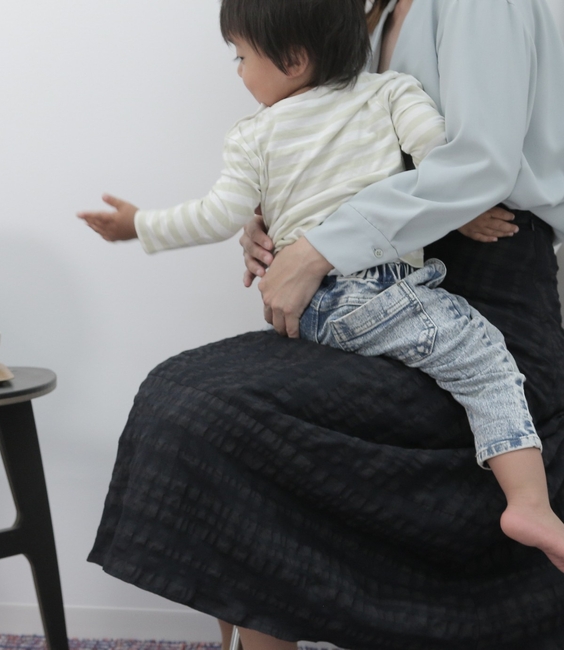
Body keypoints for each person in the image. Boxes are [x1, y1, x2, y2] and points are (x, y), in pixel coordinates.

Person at [86, 0, 564, 648]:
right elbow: (350, 159)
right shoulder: (370, 15)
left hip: (487, 293)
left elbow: (478, 166)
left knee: (223, 416)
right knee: (185, 398)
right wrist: (274, 225)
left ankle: (528, 508)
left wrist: (318, 247)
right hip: (372, 284)